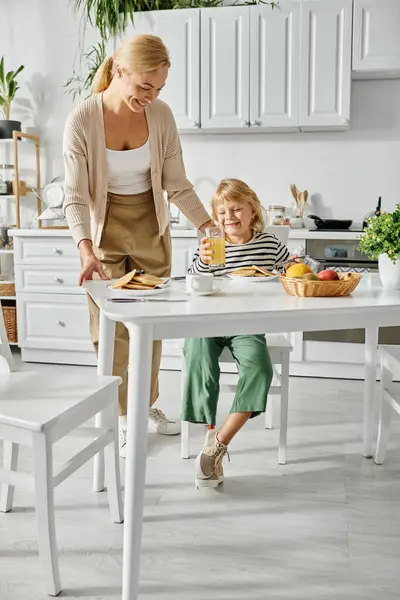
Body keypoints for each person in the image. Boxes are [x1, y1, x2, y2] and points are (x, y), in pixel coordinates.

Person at [63, 34, 213, 458]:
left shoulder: (161, 116)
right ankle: (120, 417)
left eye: (160, 88)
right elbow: (74, 195)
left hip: (151, 225)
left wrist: (205, 225)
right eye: (144, 87)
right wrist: (85, 248)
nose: (151, 96)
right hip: (103, 229)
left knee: (150, 328)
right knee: (111, 331)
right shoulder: (81, 119)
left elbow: (177, 184)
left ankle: (143, 408)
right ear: (118, 70)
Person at [182, 178, 291, 489]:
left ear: (252, 211)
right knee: (197, 355)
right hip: (208, 321)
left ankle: (218, 442)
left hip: (247, 325)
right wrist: (202, 263)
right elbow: (193, 280)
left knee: (260, 368)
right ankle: (209, 428)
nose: (229, 217)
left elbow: (293, 268)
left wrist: (304, 266)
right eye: (222, 212)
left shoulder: (269, 244)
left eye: (236, 209)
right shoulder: (210, 246)